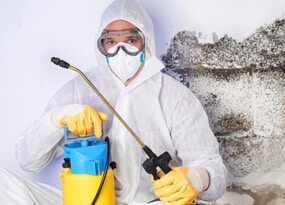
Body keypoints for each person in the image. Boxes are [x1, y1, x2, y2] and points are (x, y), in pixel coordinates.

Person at [16, 0, 227, 204]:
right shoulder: (80, 89)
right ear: (102, 46)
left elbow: (214, 170)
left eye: (131, 41)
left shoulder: (175, 97)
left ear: (146, 43)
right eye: (111, 42)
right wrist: (55, 120)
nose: (121, 51)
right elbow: (28, 161)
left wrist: (197, 178)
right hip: (85, 199)